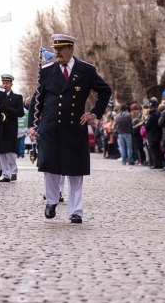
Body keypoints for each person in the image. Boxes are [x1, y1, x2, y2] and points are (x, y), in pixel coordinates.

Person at [29, 34, 112, 224]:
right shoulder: (47, 71)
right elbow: (37, 100)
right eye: (55, 48)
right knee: (50, 168)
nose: (57, 52)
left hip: (75, 126)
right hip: (50, 127)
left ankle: (76, 211)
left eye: (61, 49)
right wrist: (33, 126)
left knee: (75, 170)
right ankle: (51, 201)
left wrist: (94, 113)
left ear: (71, 49)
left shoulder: (86, 70)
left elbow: (105, 90)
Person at [0, 74, 24, 182]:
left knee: (10, 152)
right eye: (3, 83)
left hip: (11, 127)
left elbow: (21, 112)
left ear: (11, 84)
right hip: (0, 127)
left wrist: (7, 109)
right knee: (2, 152)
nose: (5, 85)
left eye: (7, 83)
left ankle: (13, 171)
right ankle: (6, 174)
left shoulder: (17, 97)